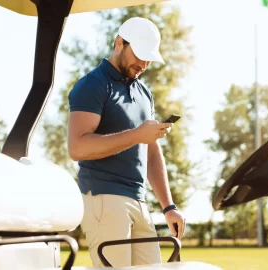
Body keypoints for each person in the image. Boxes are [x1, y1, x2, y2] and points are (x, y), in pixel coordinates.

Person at [67, 17, 187, 268]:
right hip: (104, 197)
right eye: (140, 55)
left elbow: (152, 152)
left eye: (149, 58)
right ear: (119, 43)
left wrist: (168, 207)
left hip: (139, 200)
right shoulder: (92, 85)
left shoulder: (144, 93)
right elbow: (77, 148)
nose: (143, 63)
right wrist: (137, 135)